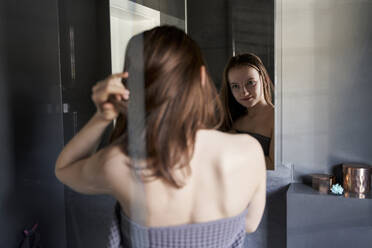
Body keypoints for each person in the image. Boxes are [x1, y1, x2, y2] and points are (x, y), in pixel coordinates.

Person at [55, 26, 266, 248]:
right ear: (202, 77)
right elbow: (249, 224)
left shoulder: (120, 163)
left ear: (132, 86)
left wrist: (103, 115)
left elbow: (65, 169)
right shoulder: (248, 151)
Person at [220, 53, 275, 170]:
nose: (243, 92)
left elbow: (273, 166)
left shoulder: (278, 118)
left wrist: (237, 144)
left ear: (264, 80)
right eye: (235, 86)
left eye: (250, 83)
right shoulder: (232, 118)